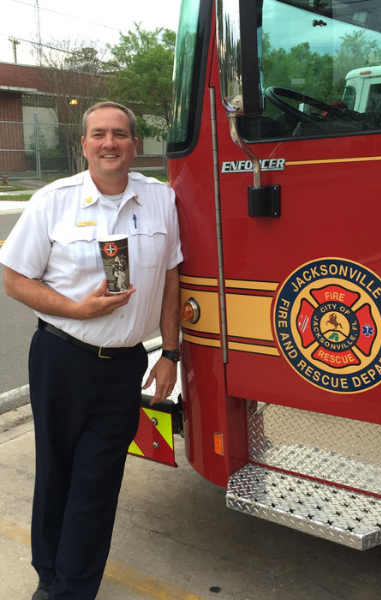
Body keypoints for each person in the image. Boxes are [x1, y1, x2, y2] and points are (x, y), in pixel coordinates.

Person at [0, 101, 183, 600]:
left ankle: (70, 590)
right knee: (55, 471)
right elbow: (13, 278)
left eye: (120, 134)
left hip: (124, 366)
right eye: (99, 133)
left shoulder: (161, 198)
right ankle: (48, 573)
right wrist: (74, 310)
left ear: (134, 144)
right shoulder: (52, 201)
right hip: (61, 357)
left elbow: (171, 277)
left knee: (96, 485)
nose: (110, 143)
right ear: (83, 144)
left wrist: (171, 352)